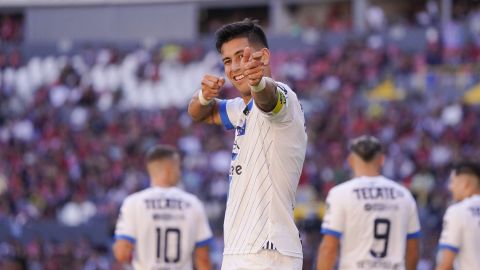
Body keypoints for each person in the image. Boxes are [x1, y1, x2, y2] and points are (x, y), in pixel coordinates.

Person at [187, 18, 307, 270]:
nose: (234, 67)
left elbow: (268, 98)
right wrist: (203, 96)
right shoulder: (242, 109)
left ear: (263, 56)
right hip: (242, 251)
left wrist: (258, 83)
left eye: (241, 56)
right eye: (228, 61)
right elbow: (200, 114)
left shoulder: (284, 98)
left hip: (267, 252)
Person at [316, 135, 421, 270]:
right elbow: (413, 251)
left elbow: (328, 249)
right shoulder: (404, 195)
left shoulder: (340, 193)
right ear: (382, 160)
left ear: (351, 160)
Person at [113, 145, 213, 270]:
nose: (179, 172)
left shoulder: (133, 203)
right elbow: (203, 259)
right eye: (178, 167)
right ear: (168, 169)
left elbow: (122, 253)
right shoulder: (193, 204)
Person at [436, 161, 480, 270]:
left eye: (452, 182)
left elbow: (446, 264)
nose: (450, 187)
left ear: (465, 184)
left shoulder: (457, 211)